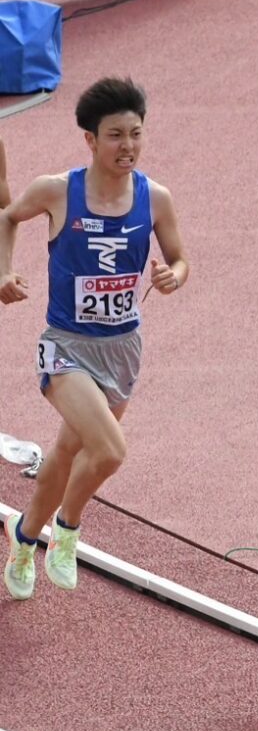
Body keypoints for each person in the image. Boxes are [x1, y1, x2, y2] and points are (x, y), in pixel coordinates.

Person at [0, 77, 189, 600]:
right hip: (66, 344)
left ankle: (23, 538)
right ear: (90, 139)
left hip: (123, 348)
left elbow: (180, 256)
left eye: (136, 133)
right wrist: (4, 271)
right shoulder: (58, 190)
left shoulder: (155, 198)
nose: (127, 145)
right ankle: (68, 529)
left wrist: (174, 275)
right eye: (115, 135)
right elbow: (7, 217)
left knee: (64, 457)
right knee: (108, 451)